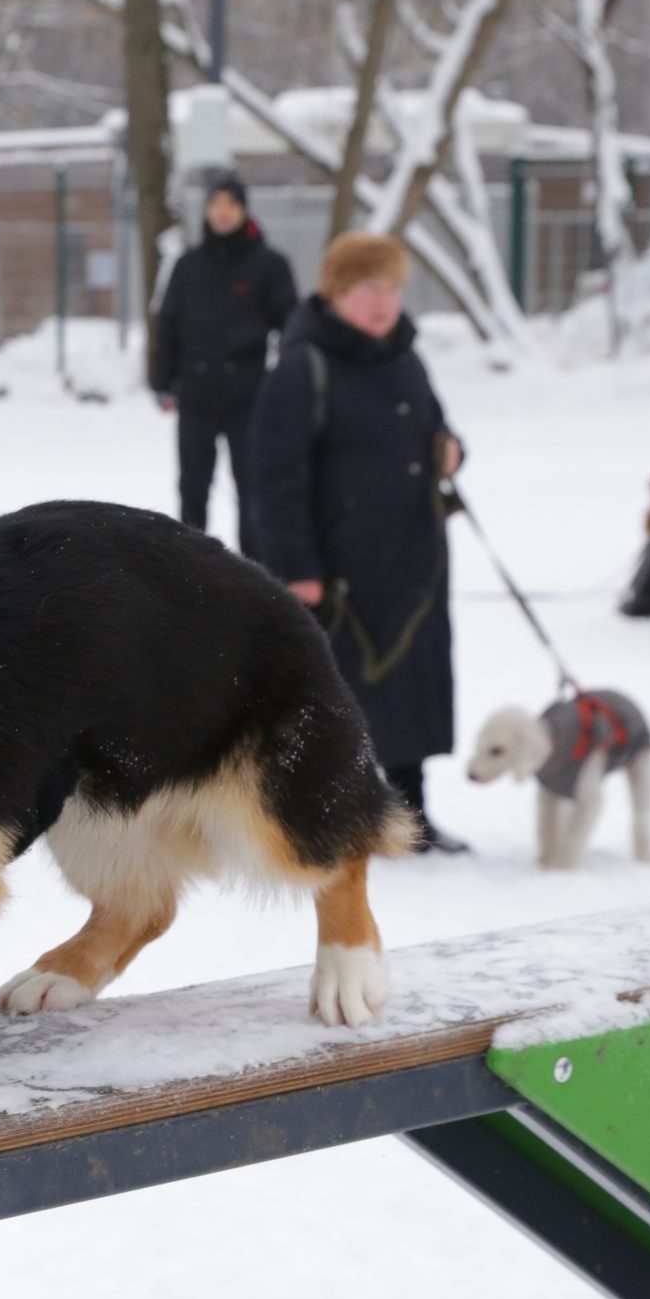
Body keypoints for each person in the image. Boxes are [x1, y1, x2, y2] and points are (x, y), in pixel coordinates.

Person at [248, 232, 468, 852]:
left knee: (414, 690)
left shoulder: (405, 356)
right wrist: (297, 567)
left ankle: (411, 817)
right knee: (345, 698)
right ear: (339, 293)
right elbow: (274, 477)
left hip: (414, 561)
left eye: (393, 289)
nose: (383, 303)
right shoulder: (302, 366)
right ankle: (339, 820)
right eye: (370, 290)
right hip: (342, 567)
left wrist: (451, 450)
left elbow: (436, 426)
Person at [149, 169, 299, 549]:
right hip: (196, 395)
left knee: (252, 492)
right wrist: (161, 381)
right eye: (215, 203)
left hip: (250, 398)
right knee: (192, 490)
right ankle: (190, 579)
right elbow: (167, 324)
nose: (222, 212)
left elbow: (293, 329)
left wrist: (285, 384)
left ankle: (256, 579)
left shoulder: (269, 265)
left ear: (244, 210)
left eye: (230, 204)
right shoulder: (188, 265)